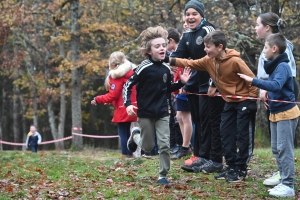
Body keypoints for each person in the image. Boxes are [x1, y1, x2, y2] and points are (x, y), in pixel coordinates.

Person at [168, 30, 258, 182]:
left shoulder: (236, 61)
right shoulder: (209, 61)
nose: (205, 50)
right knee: (225, 134)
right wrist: (170, 60)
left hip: (243, 102)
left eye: (208, 47)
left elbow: (252, 80)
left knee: (242, 137)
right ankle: (230, 167)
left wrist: (251, 101)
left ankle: (241, 169)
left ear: (220, 47)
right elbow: (191, 63)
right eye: (204, 46)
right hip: (228, 102)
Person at [124, 26, 191, 185]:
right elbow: (127, 85)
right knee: (148, 147)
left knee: (164, 145)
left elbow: (167, 88)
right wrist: (127, 104)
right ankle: (135, 134)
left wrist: (181, 82)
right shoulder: (143, 68)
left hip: (162, 111)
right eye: (157, 46)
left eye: (163, 45)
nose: (162, 48)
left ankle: (163, 175)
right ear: (149, 51)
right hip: (146, 112)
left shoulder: (167, 68)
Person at [238, 33, 299, 197]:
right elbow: (276, 88)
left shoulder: (283, 66)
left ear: (274, 48)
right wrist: (269, 98)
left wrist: (253, 81)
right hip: (275, 111)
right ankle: (282, 179)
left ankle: (288, 185)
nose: (263, 51)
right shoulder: (274, 65)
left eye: (265, 47)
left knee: (284, 149)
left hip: (286, 113)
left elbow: (276, 85)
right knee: (275, 148)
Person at [170, 0, 225, 174]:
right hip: (196, 85)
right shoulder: (187, 34)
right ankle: (200, 156)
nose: (190, 17)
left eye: (194, 13)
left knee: (211, 123)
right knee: (199, 121)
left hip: (212, 86)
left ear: (202, 15)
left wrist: (213, 83)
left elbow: (217, 58)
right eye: (187, 14)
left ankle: (213, 158)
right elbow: (179, 56)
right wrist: (163, 60)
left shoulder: (208, 30)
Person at [255, 12, 298, 187]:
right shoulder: (268, 45)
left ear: (267, 27)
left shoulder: (281, 46)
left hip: (282, 97)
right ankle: (282, 173)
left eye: (257, 24)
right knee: (276, 144)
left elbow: (284, 75)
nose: (255, 28)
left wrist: (264, 86)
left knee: (283, 145)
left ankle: (286, 180)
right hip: (272, 93)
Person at [91, 51, 137, 158]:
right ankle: (129, 154)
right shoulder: (131, 73)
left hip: (122, 108)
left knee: (122, 133)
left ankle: (125, 154)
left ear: (113, 64)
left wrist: (98, 99)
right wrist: (110, 100)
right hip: (132, 106)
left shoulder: (117, 75)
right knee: (127, 131)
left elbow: (113, 95)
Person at [166, 27, 188, 156]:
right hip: (177, 89)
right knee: (178, 117)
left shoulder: (181, 52)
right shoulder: (174, 53)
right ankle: (181, 145)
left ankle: (184, 145)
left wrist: (182, 84)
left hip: (183, 89)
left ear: (171, 40)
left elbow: (183, 69)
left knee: (183, 118)